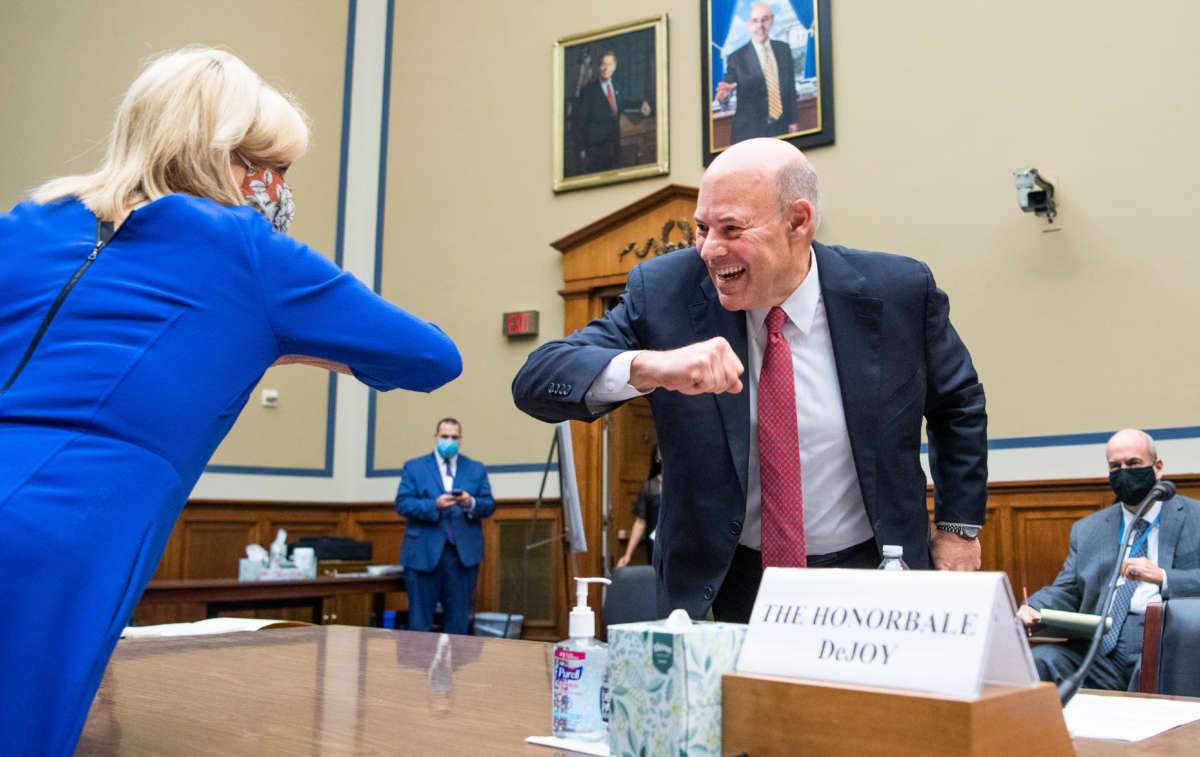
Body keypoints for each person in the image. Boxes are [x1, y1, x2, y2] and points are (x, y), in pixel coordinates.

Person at [0, 47, 462, 757]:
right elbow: (433, 356)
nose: (276, 188)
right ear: (217, 157)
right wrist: (290, 340)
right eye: (266, 166)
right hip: (61, 534)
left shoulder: (28, 222)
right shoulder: (247, 252)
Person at [512, 137, 987, 623]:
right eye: (701, 229)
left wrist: (957, 529)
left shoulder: (898, 293)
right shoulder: (664, 293)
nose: (710, 251)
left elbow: (959, 405)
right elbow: (537, 378)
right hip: (729, 581)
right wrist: (650, 367)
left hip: (870, 568)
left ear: (798, 222)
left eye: (732, 229)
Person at [1017, 429, 1200, 690]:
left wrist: (1163, 577)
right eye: (1115, 466)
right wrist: (1033, 607)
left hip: (1164, 638)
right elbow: (1067, 588)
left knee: (1151, 674)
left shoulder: (1195, 516)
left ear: (1157, 468)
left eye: (1134, 464)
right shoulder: (1089, 529)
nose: (1124, 472)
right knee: (1041, 660)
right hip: (1099, 641)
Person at [395, 418, 495, 634]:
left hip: (462, 556)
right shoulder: (414, 467)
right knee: (419, 623)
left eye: (454, 437)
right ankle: (419, 668)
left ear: (460, 439)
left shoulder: (475, 469)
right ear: (436, 437)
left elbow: (488, 505)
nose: (449, 440)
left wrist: (471, 503)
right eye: (445, 436)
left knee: (459, 624)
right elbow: (402, 504)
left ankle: (455, 668)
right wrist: (434, 504)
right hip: (423, 553)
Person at [715, 3, 799, 144]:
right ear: (749, 25)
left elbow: (790, 89)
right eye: (755, 21)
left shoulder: (784, 50)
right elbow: (727, 88)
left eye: (765, 19)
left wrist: (793, 121)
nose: (760, 25)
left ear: (772, 20)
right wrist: (724, 95)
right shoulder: (736, 58)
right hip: (749, 133)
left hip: (780, 128)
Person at [576, 51, 651, 174]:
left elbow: (623, 104)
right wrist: (581, 151)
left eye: (609, 64)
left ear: (614, 66)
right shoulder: (588, 91)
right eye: (603, 64)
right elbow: (580, 122)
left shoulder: (617, 86)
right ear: (599, 67)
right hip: (595, 150)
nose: (606, 68)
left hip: (615, 146)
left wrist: (641, 104)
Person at [617, 445, 662, 568]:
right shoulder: (649, 486)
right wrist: (628, 555)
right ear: (657, 457)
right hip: (655, 546)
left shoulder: (682, 485)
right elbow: (640, 522)